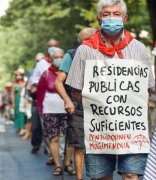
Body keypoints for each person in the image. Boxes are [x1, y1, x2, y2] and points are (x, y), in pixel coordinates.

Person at [65, 0, 155, 179]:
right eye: (106, 15)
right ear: (99, 19)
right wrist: (99, 108)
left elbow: (147, 87)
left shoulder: (138, 49)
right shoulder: (85, 50)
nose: (111, 18)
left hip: (131, 130)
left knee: (131, 175)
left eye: (116, 14)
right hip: (98, 130)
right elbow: (75, 90)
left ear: (125, 18)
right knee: (101, 177)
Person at [55, 27, 96, 180]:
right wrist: (67, 101)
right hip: (78, 105)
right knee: (79, 145)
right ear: (81, 41)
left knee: (98, 145)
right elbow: (58, 82)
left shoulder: (104, 52)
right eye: (88, 38)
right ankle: (79, 178)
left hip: (100, 107)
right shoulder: (71, 55)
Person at [36, 48, 76, 176]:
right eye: (56, 57)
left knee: (70, 138)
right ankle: (58, 165)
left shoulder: (70, 71)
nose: (59, 59)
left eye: (61, 56)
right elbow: (40, 95)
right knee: (54, 139)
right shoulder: (46, 73)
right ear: (51, 59)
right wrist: (41, 111)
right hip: (50, 110)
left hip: (68, 109)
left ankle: (68, 163)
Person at [11, 68, 26, 134]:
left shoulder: (25, 82)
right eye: (17, 75)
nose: (18, 76)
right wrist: (13, 103)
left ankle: (23, 127)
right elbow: (12, 94)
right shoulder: (14, 83)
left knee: (23, 113)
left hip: (23, 99)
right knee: (17, 113)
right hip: (17, 100)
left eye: (19, 74)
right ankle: (19, 128)